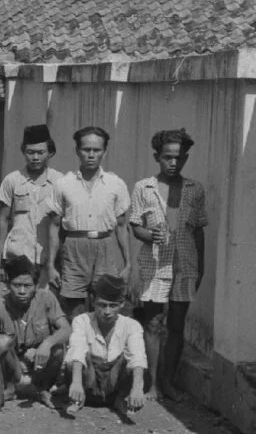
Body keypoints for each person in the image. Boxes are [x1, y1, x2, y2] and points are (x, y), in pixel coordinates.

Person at [129, 129, 207, 402]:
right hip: (154, 264)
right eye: (167, 157)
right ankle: (151, 384)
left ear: (185, 158)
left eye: (178, 157)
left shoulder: (194, 189)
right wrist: (152, 236)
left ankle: (168, 382)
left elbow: (198, 231)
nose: (173, 163)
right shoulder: (144, 187)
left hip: (184, 265)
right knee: (153, 323)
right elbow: (136, 227)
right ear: (157, 157)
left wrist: (201, 266)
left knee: (176, 324)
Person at [0, 256, 70, 410]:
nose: (22, 291)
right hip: (14, 367)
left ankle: (42, 390)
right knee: (1, 342)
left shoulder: (47, 298)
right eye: (17, 285)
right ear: (7, 284)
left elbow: (66, 329)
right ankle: (9, 389)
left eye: (27, 285)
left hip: (39, 365)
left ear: (36, 285)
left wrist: (46, 344)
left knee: (58, 349)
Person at [46, 126, 131, 318]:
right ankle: (76, 347)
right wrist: (51, 265)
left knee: (105, 303)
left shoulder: (115, 183)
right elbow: (54, 226)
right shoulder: (63, 184)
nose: (91, 155)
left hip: (105, 246)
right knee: (74, 309)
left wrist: (128, 264)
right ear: (77, 151)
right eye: (86, 149)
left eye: (96, 150)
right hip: (74, 246)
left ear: (104, 151)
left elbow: (121, 226)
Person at [66, 274, 147, 418]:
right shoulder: (81, 321)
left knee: (131, 360)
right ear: (93, 302)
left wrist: (137, 388)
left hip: (114, 382)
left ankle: (121, 399)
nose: (107, 312)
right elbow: (77, 349)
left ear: (122, 304)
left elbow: (137, 356)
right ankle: (79, 398)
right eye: (102, 305)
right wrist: (77, 383)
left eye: (113, 305)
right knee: (76, 358)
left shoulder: (131, 325)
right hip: (89, 381)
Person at [0, 124, 62, 270]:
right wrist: (0, 253)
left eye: (41, 152)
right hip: (18, 254)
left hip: (48, 257)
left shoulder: (60, 182)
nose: (35, 157)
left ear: (50, 153)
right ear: (23, 152)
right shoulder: (12, 180)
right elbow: (3, 219)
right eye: (30, 152)